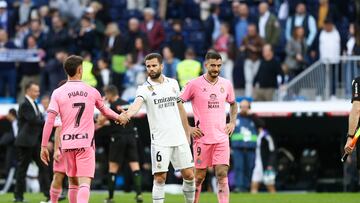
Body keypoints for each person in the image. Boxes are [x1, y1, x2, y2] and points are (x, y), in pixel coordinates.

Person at [40, 55, 121, 203]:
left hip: (67, 143)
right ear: (80, 70)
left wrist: (44, 145)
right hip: (85, 142)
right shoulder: (92, 91)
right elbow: (105, 111)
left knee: (73, 182)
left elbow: (50, 121)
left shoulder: (57, 93)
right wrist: (119, 117)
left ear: (66, 71)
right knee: (84, 182)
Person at [118, 53, 195, 203]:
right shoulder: (144, 89)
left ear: (161, 66)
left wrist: (187, 133)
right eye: (148, 66)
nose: (151, 69)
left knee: (189, 175)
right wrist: (127, 114)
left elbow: (181, 110)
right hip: (160, 140)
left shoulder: (173, 83)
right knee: (160, 178)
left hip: (179, 137)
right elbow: (136, 105)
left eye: (154, 65)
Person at [180, 51, 238, 203]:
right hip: (202, 138)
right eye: (213, 65)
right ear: (206, 65)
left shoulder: (226, 84)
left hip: (221, 137)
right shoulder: (193, 84)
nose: (216, 68)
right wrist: (189, 128)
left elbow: (233, 104)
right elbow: (177, 104)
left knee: (222, 174)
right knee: (199, 177)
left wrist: (232, 122)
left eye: (219, 65)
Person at [101, 85, 143, 203]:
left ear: (109, 94)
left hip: (118, 137)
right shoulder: (127, 104)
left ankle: (110, 197)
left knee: (113, 168)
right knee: (135, 166)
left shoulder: (111, 106)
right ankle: (139, 195)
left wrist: (103, 105)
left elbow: (100, 121)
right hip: (131, 137)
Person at [14, 82, 50, 203]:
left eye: (38, 91)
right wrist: (48, 122)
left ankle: (50, 195)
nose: (38, 93)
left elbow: (36, 120)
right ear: (28, 91)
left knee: (44, 167)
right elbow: (33, 120)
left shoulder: (34, 103)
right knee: (22, 169)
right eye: (35, 91)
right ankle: (18, 196)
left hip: (34, 142)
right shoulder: (25, 104)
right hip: (25, 142)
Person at [231, 99, 259, 192]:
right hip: (238, 148)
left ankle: (247, 187)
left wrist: (252, 115)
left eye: (246, 106)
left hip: (250, 148)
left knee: (249, 167)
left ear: (249, 107)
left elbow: (262, 124)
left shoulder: (253, 118)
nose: (244, 109)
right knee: (239, 167)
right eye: (242, 106)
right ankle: (239, 187)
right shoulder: (235, 118)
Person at [250, 128, 276, 194]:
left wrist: (270, 164)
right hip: (257, 165)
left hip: (267, 166)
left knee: (270, 187)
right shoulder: (254, 135)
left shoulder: (267, 136)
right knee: (254, 186)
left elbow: (272, 151)